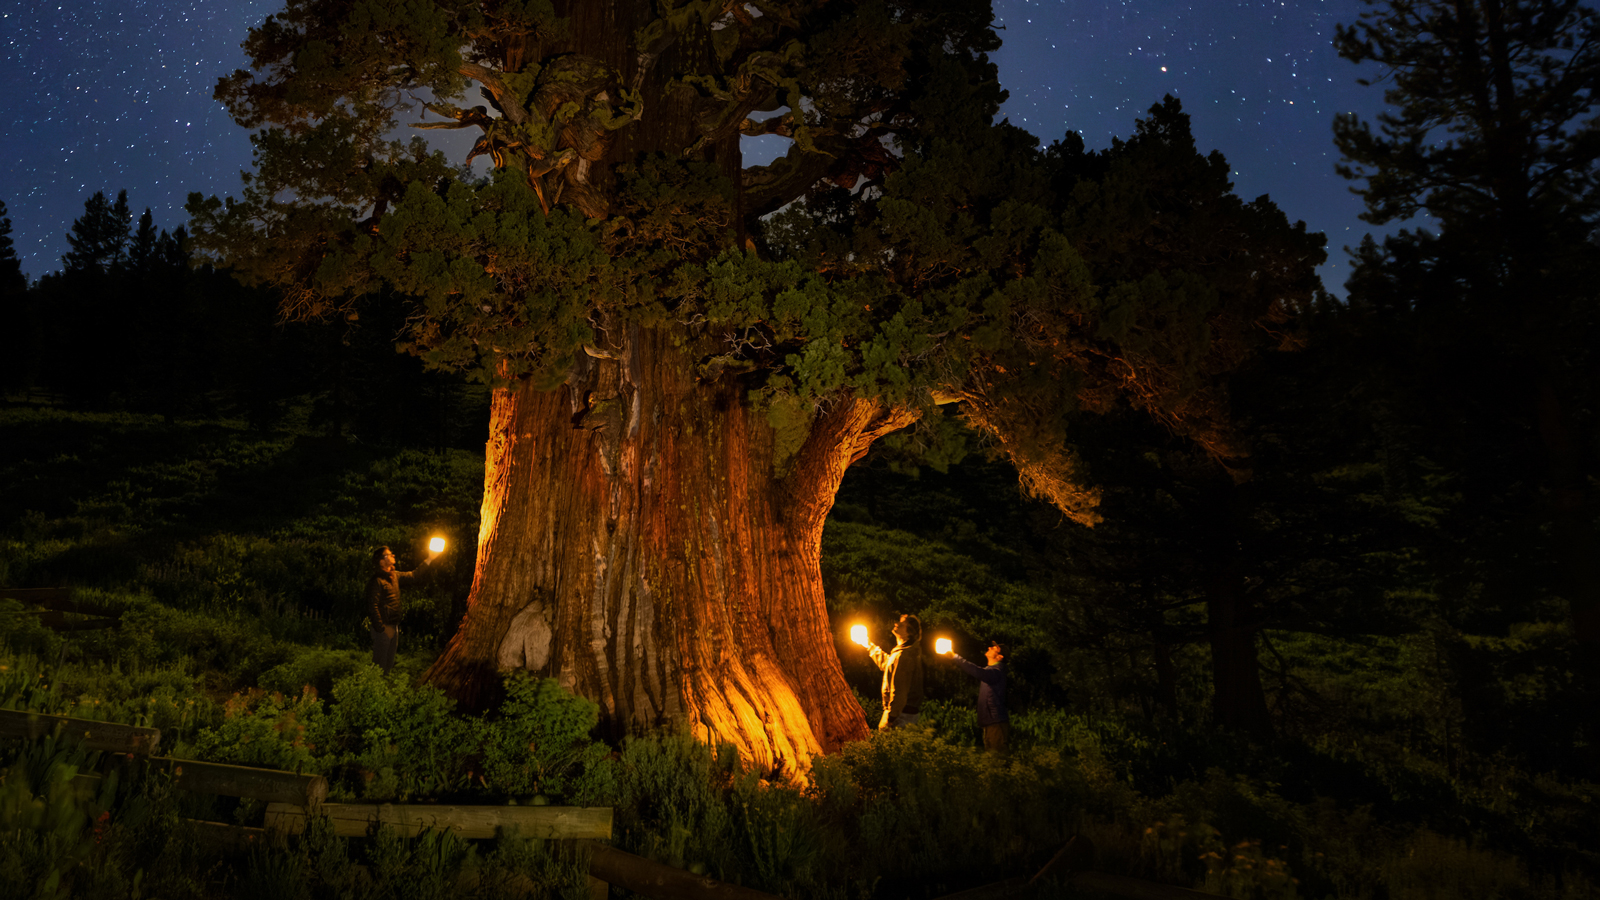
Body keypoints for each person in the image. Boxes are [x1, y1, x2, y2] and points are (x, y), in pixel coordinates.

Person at [366, 543, 438, 672]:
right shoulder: (376, 581)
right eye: (389, 554)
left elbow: (414, 575)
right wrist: (382, 628)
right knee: (379, 665)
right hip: (383, 627)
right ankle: (369, 689)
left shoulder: (395, 576)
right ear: (381, 561)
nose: (393, 555)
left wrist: (430, 559)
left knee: (388, 664)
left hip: (393, 625)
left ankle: (383, 690)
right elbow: (373, 606)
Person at [862, 614, 925, 730]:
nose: (897, 624)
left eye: (902, 623)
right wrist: (868, 645)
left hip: (900, 715)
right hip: (900, 713)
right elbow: (888, 665)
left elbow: (900, 691)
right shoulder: (903, 652)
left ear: (909, 632)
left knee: (886, 746)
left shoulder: (905, 656)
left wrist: (890, 718)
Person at [949, 640, 1009, 752]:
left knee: (998, 760)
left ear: (1000, 656)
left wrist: (955, 657)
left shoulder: (998, 671)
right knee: (992, 760)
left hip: (996, 723)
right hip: (990, 723)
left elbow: (978, 672)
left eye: (994, 648)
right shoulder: (991, 671)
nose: (990, 647)